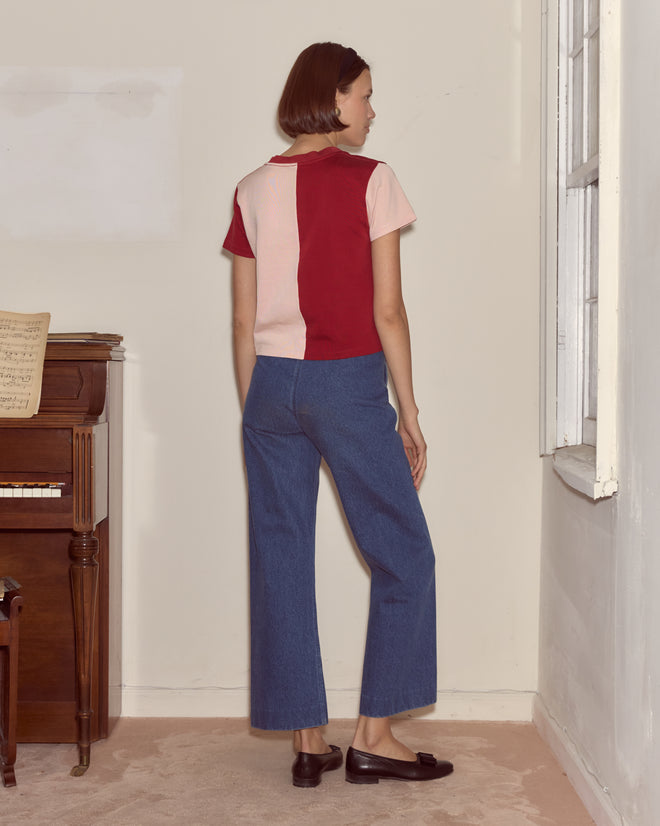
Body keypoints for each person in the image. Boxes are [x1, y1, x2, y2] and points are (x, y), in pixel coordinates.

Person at [223, 42, 453, 788]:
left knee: (282, 559)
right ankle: (375, 738)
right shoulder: (371, 180)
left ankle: (305, 743)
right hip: (347, 384)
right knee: (404, 553)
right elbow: (388, 309)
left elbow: (242, 322)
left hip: (271, 388)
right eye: (363, 95)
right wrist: (409, 413)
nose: (371, 110)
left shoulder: (252, 187)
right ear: (332, 98)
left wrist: (260, 407)